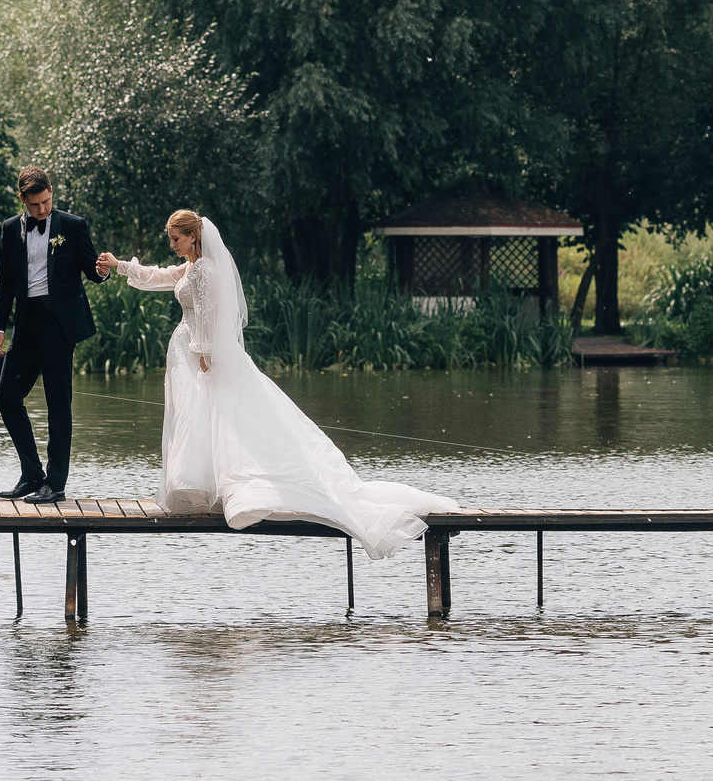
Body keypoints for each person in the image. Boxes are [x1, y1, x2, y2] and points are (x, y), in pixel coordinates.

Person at [97, 209, 457, 558]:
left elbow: (209, 313)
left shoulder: (205, 269)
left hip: (202, 355)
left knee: (219, 417)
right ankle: (200, 487)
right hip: (190, 354)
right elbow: (159, 276)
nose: (172, 244)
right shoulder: (191, 266)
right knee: (200, 419)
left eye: (176, 238)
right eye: (171, 239)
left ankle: (223, 486)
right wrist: (119, 265)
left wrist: (204, 352)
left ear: (193, 237)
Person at [0, 166, 105, 504]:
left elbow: (92, 269)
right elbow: (5, 281)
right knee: (7, 398)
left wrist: (102, 272)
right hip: (26, 323)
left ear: (51, 192)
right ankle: (31, 475)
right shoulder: (10, 228)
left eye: (46, 201)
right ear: (22, 199)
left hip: (59, 325)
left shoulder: (73, 225)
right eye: (35, 204)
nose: (42, 209)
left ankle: (55, 484)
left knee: (58, 405)